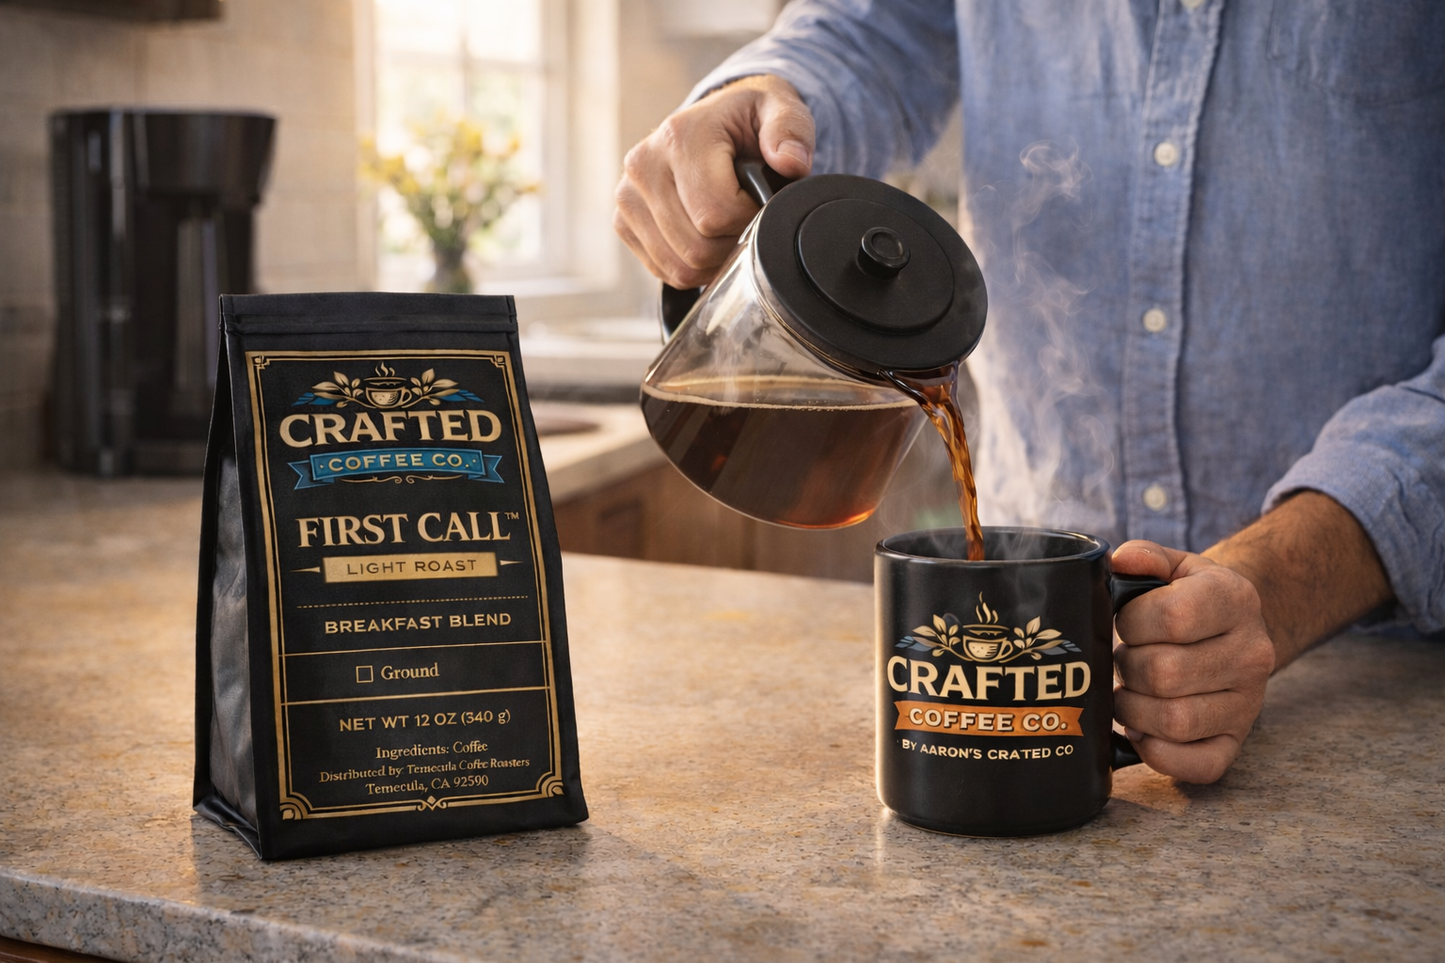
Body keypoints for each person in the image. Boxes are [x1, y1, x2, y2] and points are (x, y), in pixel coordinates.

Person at [614, 0, 1445, 784]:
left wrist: (1292, 578)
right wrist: (760, 98)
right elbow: (865, 34)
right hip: (1032, 591)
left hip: (1380, 681)